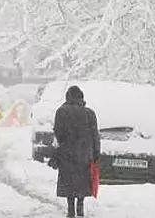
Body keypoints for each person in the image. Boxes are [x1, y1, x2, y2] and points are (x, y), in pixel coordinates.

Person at [53, 85, 101, 217]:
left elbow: (58, 133)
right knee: (82, 183)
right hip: (85, 155)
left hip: (67, 154)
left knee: (69, 182)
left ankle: (70, 210)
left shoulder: (61, 112)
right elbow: (94, 135)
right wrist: (96, 153)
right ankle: (80, 208)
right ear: (81, 97)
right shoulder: (89, 113)